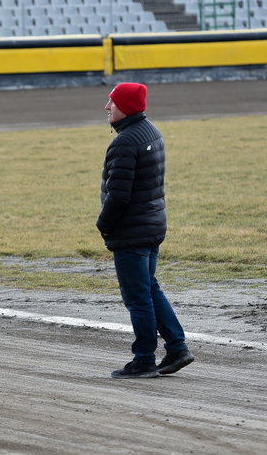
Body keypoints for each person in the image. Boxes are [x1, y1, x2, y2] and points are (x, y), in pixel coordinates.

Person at [98, 82, 194, 379]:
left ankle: (143, 359)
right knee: (149, 289)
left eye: (111, 102)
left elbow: (119, 195)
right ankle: (177, 347)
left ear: (124, 106)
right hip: (151, 225)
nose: (106, 107)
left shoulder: (125, 141)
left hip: (132, 232)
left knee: (137, 297)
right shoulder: (151, 131)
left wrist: (103, 224)